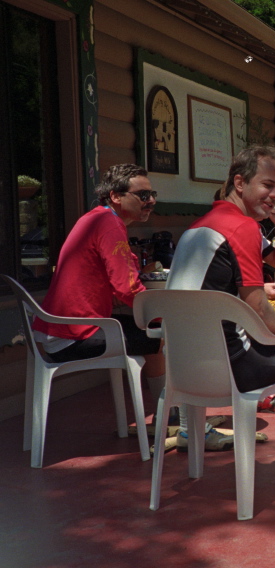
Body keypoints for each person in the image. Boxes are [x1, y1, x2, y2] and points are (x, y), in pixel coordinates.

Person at [167, 145, 275, 439]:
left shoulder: (198, 226)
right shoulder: (241, 227)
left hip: (181, 367)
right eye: (268, 185)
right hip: (225, 367)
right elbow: (259, 308)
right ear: (240, 183)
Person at [31, 164, 167, 424]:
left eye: (152, 194)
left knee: (156, 331)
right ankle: (172, 416)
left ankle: (168, 413)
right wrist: (162, 317)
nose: (150, 201)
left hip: (60, 330)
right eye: (142, 195)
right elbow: (126, 288)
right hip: (72, 335)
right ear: (116, 196)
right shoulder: (109, 223)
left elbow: (113, 277)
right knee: (162, 337)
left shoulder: (97, 218)